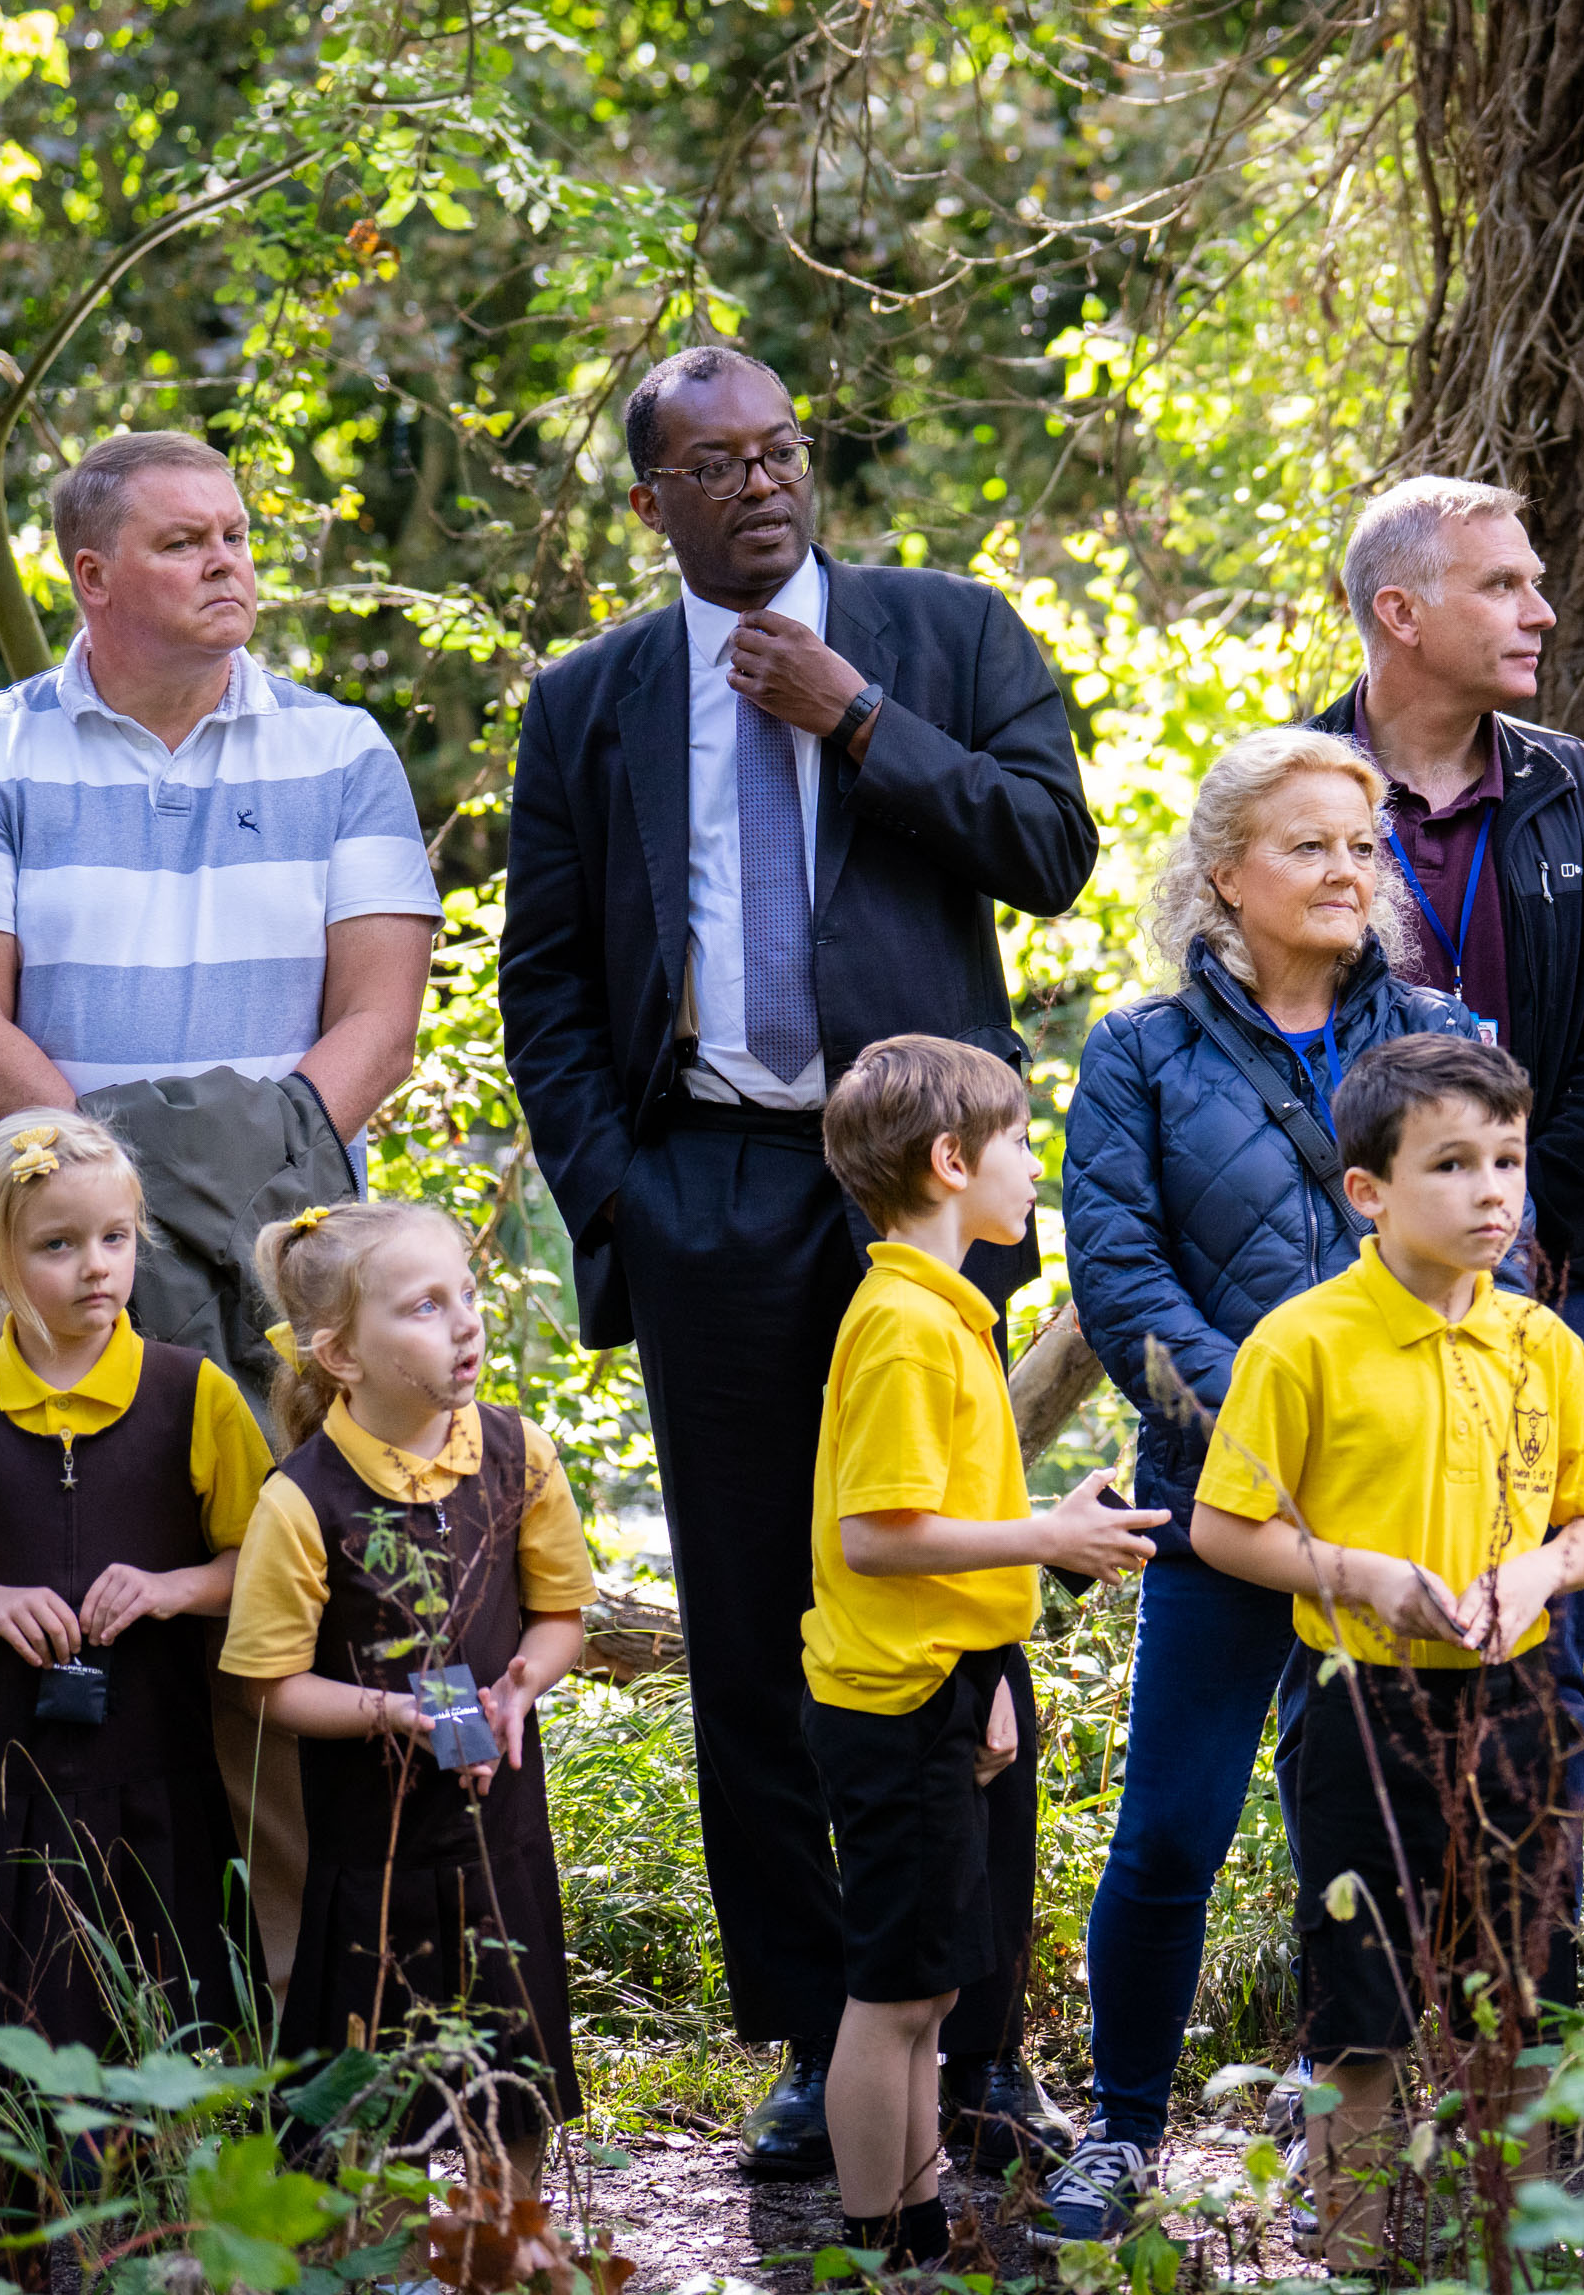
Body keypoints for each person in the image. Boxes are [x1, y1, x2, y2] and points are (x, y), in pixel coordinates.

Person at [500, 346, 1098, 2170]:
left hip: (918, 1197)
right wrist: (628, 1194)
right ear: (650, 502)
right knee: (762, 1625)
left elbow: (1054, 849)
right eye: (715, 465)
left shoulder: (947, 629)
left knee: (961, 1608)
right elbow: (548, 978)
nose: (761, 485)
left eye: (780, 454)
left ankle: (978, 2042)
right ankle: (817, 2037)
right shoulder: (590, 699)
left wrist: (857, 720)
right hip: (714, 1198)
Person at [0, 431, 440, 2005]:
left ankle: (291, 2036)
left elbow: (380, 1024)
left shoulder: (341, 749)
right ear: (89, 576)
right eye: (183, 542)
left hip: (286, 1291)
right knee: (53, 1668)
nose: (232, 561)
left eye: (237, 533)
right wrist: (102, 1219)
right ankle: (36, 2042)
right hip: (39, 1300)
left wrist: (241, 1214)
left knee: (275, 1640)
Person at [1047, 728, 1496, 2234]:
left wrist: (1367, 1424)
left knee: (1361, 1837)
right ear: (1224, 874)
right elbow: (1119, 1273)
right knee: (1173, 1824)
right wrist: (1273, 1415)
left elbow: (1491, 1232)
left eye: (1363, 848)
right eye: (1307, 845)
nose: (1345, 872)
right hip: (1214, 1503)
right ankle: (1120, 2135)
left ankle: (1348, 2145)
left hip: (1406, 1499)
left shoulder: (1437, 1034)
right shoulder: (1140, 1054)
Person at [1187, 1036, 1584, 2275]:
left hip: (1521, 1700)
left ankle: (1514, 2246)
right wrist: (1369, 1577)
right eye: (1452, 1165)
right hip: (1360, 1707)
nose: (1495, 1192)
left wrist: (1539, 1570)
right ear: (1367, 1191)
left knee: (1520, 1990)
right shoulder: (1304, 1344)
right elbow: (1227, 1527)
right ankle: (1354, 2249)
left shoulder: (1543, 1345)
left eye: (1509, 1161)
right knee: (1361, 1999)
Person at [1309, 477, 1584, 1881]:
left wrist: (1524, 1228)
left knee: (1531, 1674)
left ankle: (1523, 2026)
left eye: (1534, 578)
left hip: (1540, 1290)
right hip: (1346, 1299)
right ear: (1402, 612)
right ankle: (1362, 2041)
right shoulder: (1293, 786)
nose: (1541, 609)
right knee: (1351, 1688)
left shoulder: (1579, 790)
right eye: (1502, 585)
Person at [799, 1038, 1166, 2267]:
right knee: (894, 1991)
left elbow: (944, 1537)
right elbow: (879, 1536)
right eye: (1018, 1143)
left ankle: (917, 2218)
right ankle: (880, 2242)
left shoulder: (945, 1315)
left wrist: (989, 1672)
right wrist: (1051, 1534)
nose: (1032, 1169)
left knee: (936, 1991)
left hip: (942, 1684)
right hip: (891, 1699)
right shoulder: (905, 1324)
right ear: (952, 1163)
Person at [225, 1202, 591, 2171]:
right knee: (377, 2110)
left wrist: (520, 1691)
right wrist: (394, 1713)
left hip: (499, 1841)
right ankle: (393, 2274)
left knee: (511, 2094)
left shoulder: (521, 1455)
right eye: (426, 1307)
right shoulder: (301, 1501)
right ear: (340, 1355)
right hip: (371, 1860)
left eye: (465, 1295)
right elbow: (269, 1685)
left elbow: (561, 1620)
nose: (465, 1322)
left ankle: (506, 2256)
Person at [0, 1110, 266, 2055]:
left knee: (166, 2026)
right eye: (59, 1245)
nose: (97, 1267)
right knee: (23, 2040)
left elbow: (262, 1572)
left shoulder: (193, 1392)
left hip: (160, 1778)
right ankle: (35, 2191)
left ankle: (164, 2184)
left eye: (115, 1238)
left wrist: (172, 1589)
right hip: (8, 1787)